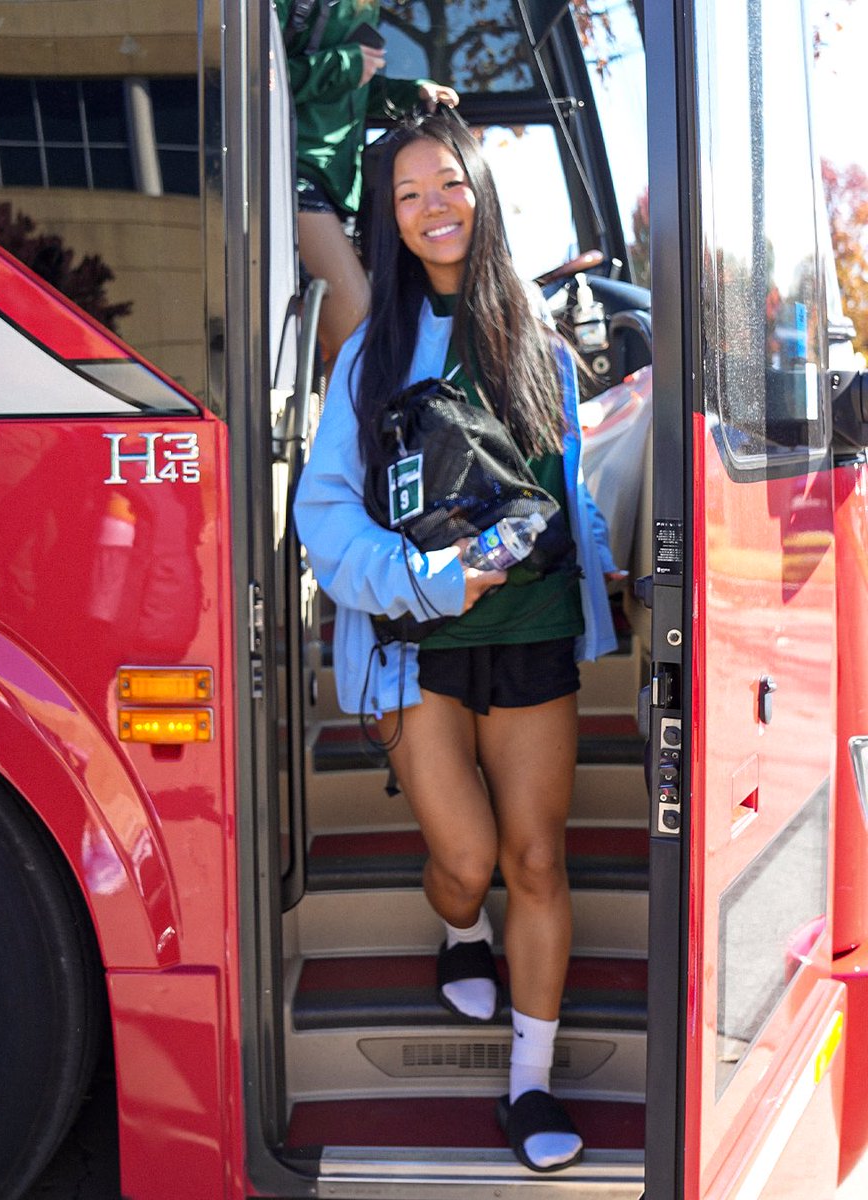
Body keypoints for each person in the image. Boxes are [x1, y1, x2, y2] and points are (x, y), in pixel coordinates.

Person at [294, 109, 620, 1174]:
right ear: (389, 221)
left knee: (535, 857)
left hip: (531, 626)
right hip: (411, 641)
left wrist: (604, 566)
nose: (436, 208)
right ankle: (459, 931)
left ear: (481, 192)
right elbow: (326, 513)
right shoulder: (367, 354)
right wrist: (425, 577)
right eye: (410, 195)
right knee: (469, 860)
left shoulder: (533, 329)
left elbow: (566, 480)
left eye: (451, 184)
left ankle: (529, 1085)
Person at [276, 0, 459, 365]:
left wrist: (411, 93)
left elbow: (349, 93)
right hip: (293, 173)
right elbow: (252, 79)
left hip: (339, 186)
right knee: (363, 343)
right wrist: (346, 64)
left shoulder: (364, 7)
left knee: (341, 354)